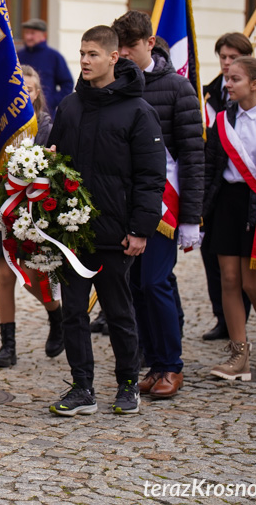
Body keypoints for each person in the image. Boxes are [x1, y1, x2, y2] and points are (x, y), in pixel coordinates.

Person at [46, 25, 165, 417]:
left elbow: (151, 176)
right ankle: (82, 388)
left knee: (118, 311)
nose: (84, 60)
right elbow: (58, 163)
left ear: (114, 57)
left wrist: (140, 229)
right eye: (81, 53)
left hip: (116, 233)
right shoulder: (70, 107)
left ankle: (128, 383)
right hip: (73, 234)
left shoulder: (138, 111)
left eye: (93, 54)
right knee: (73, 312)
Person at [112, 10, 204, 399]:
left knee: (155, 282)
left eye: (131, 47)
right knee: (135, 286)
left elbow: (193, 155)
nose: (126, 55)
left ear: (150, 43)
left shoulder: (178, 88)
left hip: (164, 208)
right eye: (120, 49)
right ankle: (151, 361)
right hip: (124, 204)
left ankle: (171, 365)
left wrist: (191, 218)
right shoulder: (115, 84)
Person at [203, 57, 256, 381]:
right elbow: (211, 168)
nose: (227, 84)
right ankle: (239, 354)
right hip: (227, 202)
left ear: (255, 84)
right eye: (227, 78)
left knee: (252, 283)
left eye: (234, 79)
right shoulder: (223, 119)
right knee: (228, 278)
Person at [0, 65, 63, 368]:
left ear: (37, 92)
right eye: (19, 91)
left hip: (32, 211)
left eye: (28, 90)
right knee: (4, 277)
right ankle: (8, 344)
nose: (24, 95)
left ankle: (57, 316)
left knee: (31, 278)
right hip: (2, 208)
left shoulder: (45, 125)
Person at [201, 32, 254, 341]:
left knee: (242, 265)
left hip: (245, 191)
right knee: (212, 255)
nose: (226, 63)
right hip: (214, 187)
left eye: (233, 58)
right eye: (222, 57)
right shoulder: (208, 93)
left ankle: (242, 319)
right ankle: (222, 316)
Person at [16, 18, 74, 118]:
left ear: (44, 35)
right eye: (26, 33)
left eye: (32, 33)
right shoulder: (17, 56)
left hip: (46, 115)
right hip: (19, 113)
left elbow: (67, 84)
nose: (28, 37)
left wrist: (51, 101)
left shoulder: (54, 57)